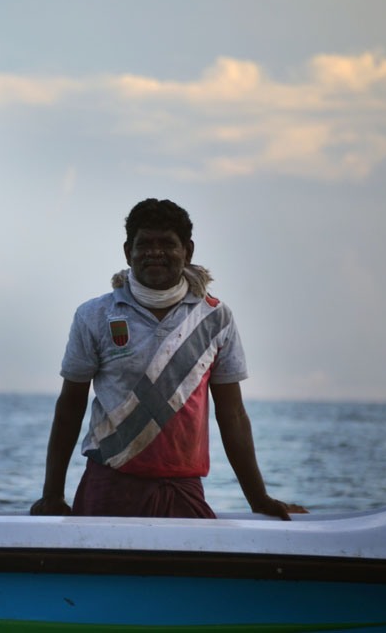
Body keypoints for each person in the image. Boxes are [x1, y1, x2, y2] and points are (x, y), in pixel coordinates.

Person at [31, 198, 305, 520]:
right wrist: (52, 495)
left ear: (187, 251)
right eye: (144, 243)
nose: (155, 252)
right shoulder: (95, 315)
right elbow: (69, 407)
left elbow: (232, 416)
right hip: (108, 488)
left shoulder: (215, 318)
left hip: (183, 491)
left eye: (167, 244)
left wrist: (259, 499)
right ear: (127, 251)